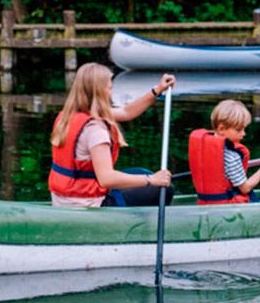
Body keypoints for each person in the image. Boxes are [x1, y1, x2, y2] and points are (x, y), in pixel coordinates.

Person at [49, 62, 175, 207]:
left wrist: (157, 90)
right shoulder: (95, 130)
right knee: (164, 189)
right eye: (110, 88)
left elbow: (127, 112)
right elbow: (106, 179)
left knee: (141, 172)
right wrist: (151, 180)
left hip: (63, 197)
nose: (111, 92)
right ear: (100, 91)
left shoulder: (69, 116)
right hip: (86, 203)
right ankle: (137, 226)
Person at [187, 99, 260, 205]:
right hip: (229, 208)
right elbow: (245, 188)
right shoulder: (231, 156)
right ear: (221, 129)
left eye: (244, 129)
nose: (243, 134)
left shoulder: (205, 147)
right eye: (239, 130)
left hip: (206, 203)